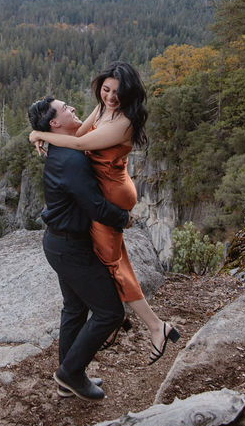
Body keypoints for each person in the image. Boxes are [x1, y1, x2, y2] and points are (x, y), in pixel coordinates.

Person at [29, 61, 180, 365]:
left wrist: (39, 135)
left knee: (113, 262)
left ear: (130, 93)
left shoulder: (123, 121)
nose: (110, 96)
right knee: (105, 259)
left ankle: (155, 327)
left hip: (112, 192)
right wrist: (45, 137)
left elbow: (82, 143)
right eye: (106, 89)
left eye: (117, 92)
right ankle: (113, 325)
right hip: (111, 184)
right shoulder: (103, 109)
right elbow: (79, 136)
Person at [28, 95, 131, 402]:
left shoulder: (64, 148)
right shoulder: (70, 159)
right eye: (65, 108)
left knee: (75, 308)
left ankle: (67, 378)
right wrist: (123, 217)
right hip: (70, 248)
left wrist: (37, 134)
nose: (73, 108)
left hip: (60, 243)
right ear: (55, 123)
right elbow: (96, 207)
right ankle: (69, 373)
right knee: (110, 312)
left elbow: (99, 114)